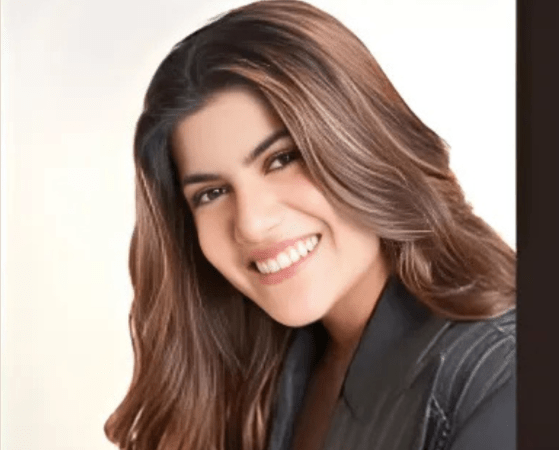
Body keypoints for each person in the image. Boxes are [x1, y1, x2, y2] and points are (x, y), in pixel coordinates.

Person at [105, 1, 516, 449]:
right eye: (212, 193)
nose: (252, 223)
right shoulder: (266, 372)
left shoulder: (500, 379)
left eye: (282, 159)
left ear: (364, 145)